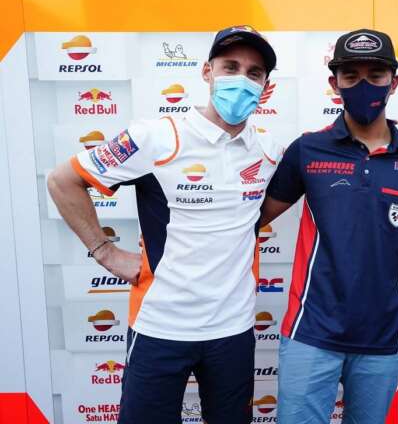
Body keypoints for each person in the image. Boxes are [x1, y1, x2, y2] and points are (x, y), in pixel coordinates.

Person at [47, 25, 283, 424]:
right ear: (207, 72)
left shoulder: (269, 150)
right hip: (160, 326)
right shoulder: (155, 137)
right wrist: (104, 252)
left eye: (254, 72)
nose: (242, 79)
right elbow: (62, 181)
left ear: (265, 86)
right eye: (230, 67)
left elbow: (255, 216)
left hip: (233, 329)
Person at [259, 28, 398, 424]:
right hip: (310, 332)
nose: (363, 85)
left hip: (383, 337)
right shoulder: (307, 149)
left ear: (394, 82)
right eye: (351, 76)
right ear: (334, 83)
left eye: (376, 75)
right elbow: (252, 217)